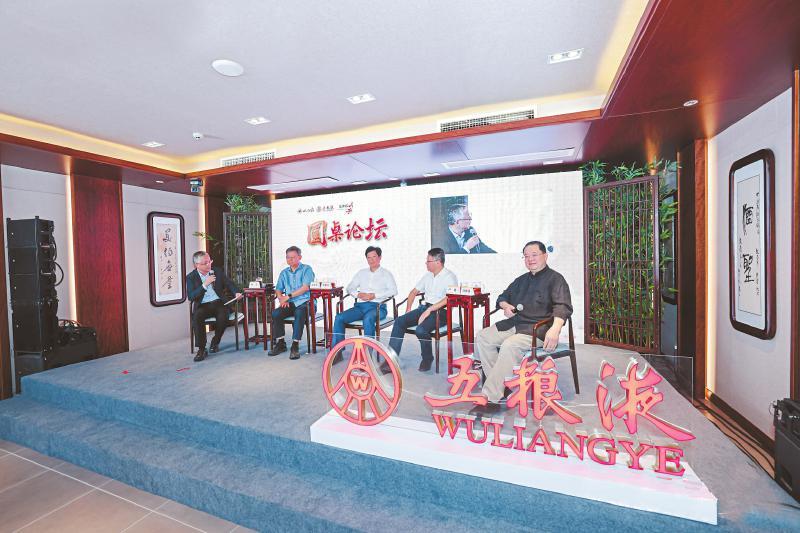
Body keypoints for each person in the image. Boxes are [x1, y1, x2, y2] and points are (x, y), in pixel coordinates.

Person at [475, 240, 572, 412]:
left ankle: (491, 397)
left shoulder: (556, 279)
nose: (530, 259)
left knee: (509, 345)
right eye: (526, 256)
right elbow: (502, 297)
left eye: (534, 255)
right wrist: (506, 306)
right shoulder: (521, 280)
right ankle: (502, 385)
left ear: (545, 256)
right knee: (483, 337)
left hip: (538, 329)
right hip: (516, 323)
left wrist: (555, 329)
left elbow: (562, 307)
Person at [388, 248, 458, 372]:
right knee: (399, 321)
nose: (426, 263)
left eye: (428, 261)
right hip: (424, 308)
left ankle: (427, 358)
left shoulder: (450, 277)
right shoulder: (427, 276)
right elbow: (413, 292)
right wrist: (408, 309)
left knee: (421, 330)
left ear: (438, 262)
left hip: (441, 312)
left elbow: (449, 298)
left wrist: (429, 310)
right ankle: (391, 359)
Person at [330, 246, 398, 361]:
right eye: (369, 258)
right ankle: (337, 352)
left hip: (378, 307)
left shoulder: (386, 274)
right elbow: (350, 288)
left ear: (380, 257)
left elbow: (394, 291)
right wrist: (358, 294)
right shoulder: (361, 273)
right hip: (360, 307)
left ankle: (366, 356)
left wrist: (375, 295)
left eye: (374, 257)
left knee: (368, 318)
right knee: (339, 317)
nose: (371, 260)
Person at [186, 251, 242, 362]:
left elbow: (229, 283)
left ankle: (215, 341)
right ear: (197, 265)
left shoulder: (216, 271)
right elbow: (191, 296)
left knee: (223, 316)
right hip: (203, 305)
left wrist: (236, 292)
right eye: (205, 263)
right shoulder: (191, 277)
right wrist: (204, 284)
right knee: (197, 316)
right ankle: (202, 349)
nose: (209, 264)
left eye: (209, 261)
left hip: (219, 302)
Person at [269, 246, 315, 360]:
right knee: (276, 313)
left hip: (306, 302)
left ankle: (295, 345)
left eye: (293, 257)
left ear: (300, 257)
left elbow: (305, 288)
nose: (290, 260)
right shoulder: (284, 272)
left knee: (299, 312)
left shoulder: (307, 269)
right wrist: (281, 298)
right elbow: (278, 289)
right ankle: (281, 343)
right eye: (288, 257)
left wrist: (287, 296)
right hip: (290, 303)